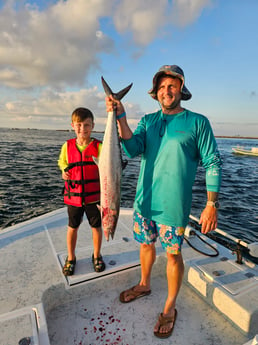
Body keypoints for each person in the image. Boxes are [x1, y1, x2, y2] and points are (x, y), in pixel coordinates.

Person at [105, 65, 222, 339]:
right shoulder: (148, 121)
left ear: (181, 88)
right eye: (161, 88)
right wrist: (119, 117)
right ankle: (144, 284)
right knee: (145, 244)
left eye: (171, 86)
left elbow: (213, 162)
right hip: (144, 203)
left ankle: (170, 306)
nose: (166, 92)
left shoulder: (198, 122)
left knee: (172, 254)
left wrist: (211, 203)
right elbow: (132, 149)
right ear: (155, 94)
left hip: (173, 207)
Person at [58, 107, 105, 276]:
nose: (82, 129)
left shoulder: (100, 146)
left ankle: (97, 255)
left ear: (92, 126)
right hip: (74, 198)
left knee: (96, 227)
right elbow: (61, 162)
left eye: (86, 125)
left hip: (94, 198)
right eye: (79, 125)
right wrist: (64, 170)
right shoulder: (67, 146)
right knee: (72, 227)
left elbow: (107, 166)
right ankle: (71, 258)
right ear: (72, 125)